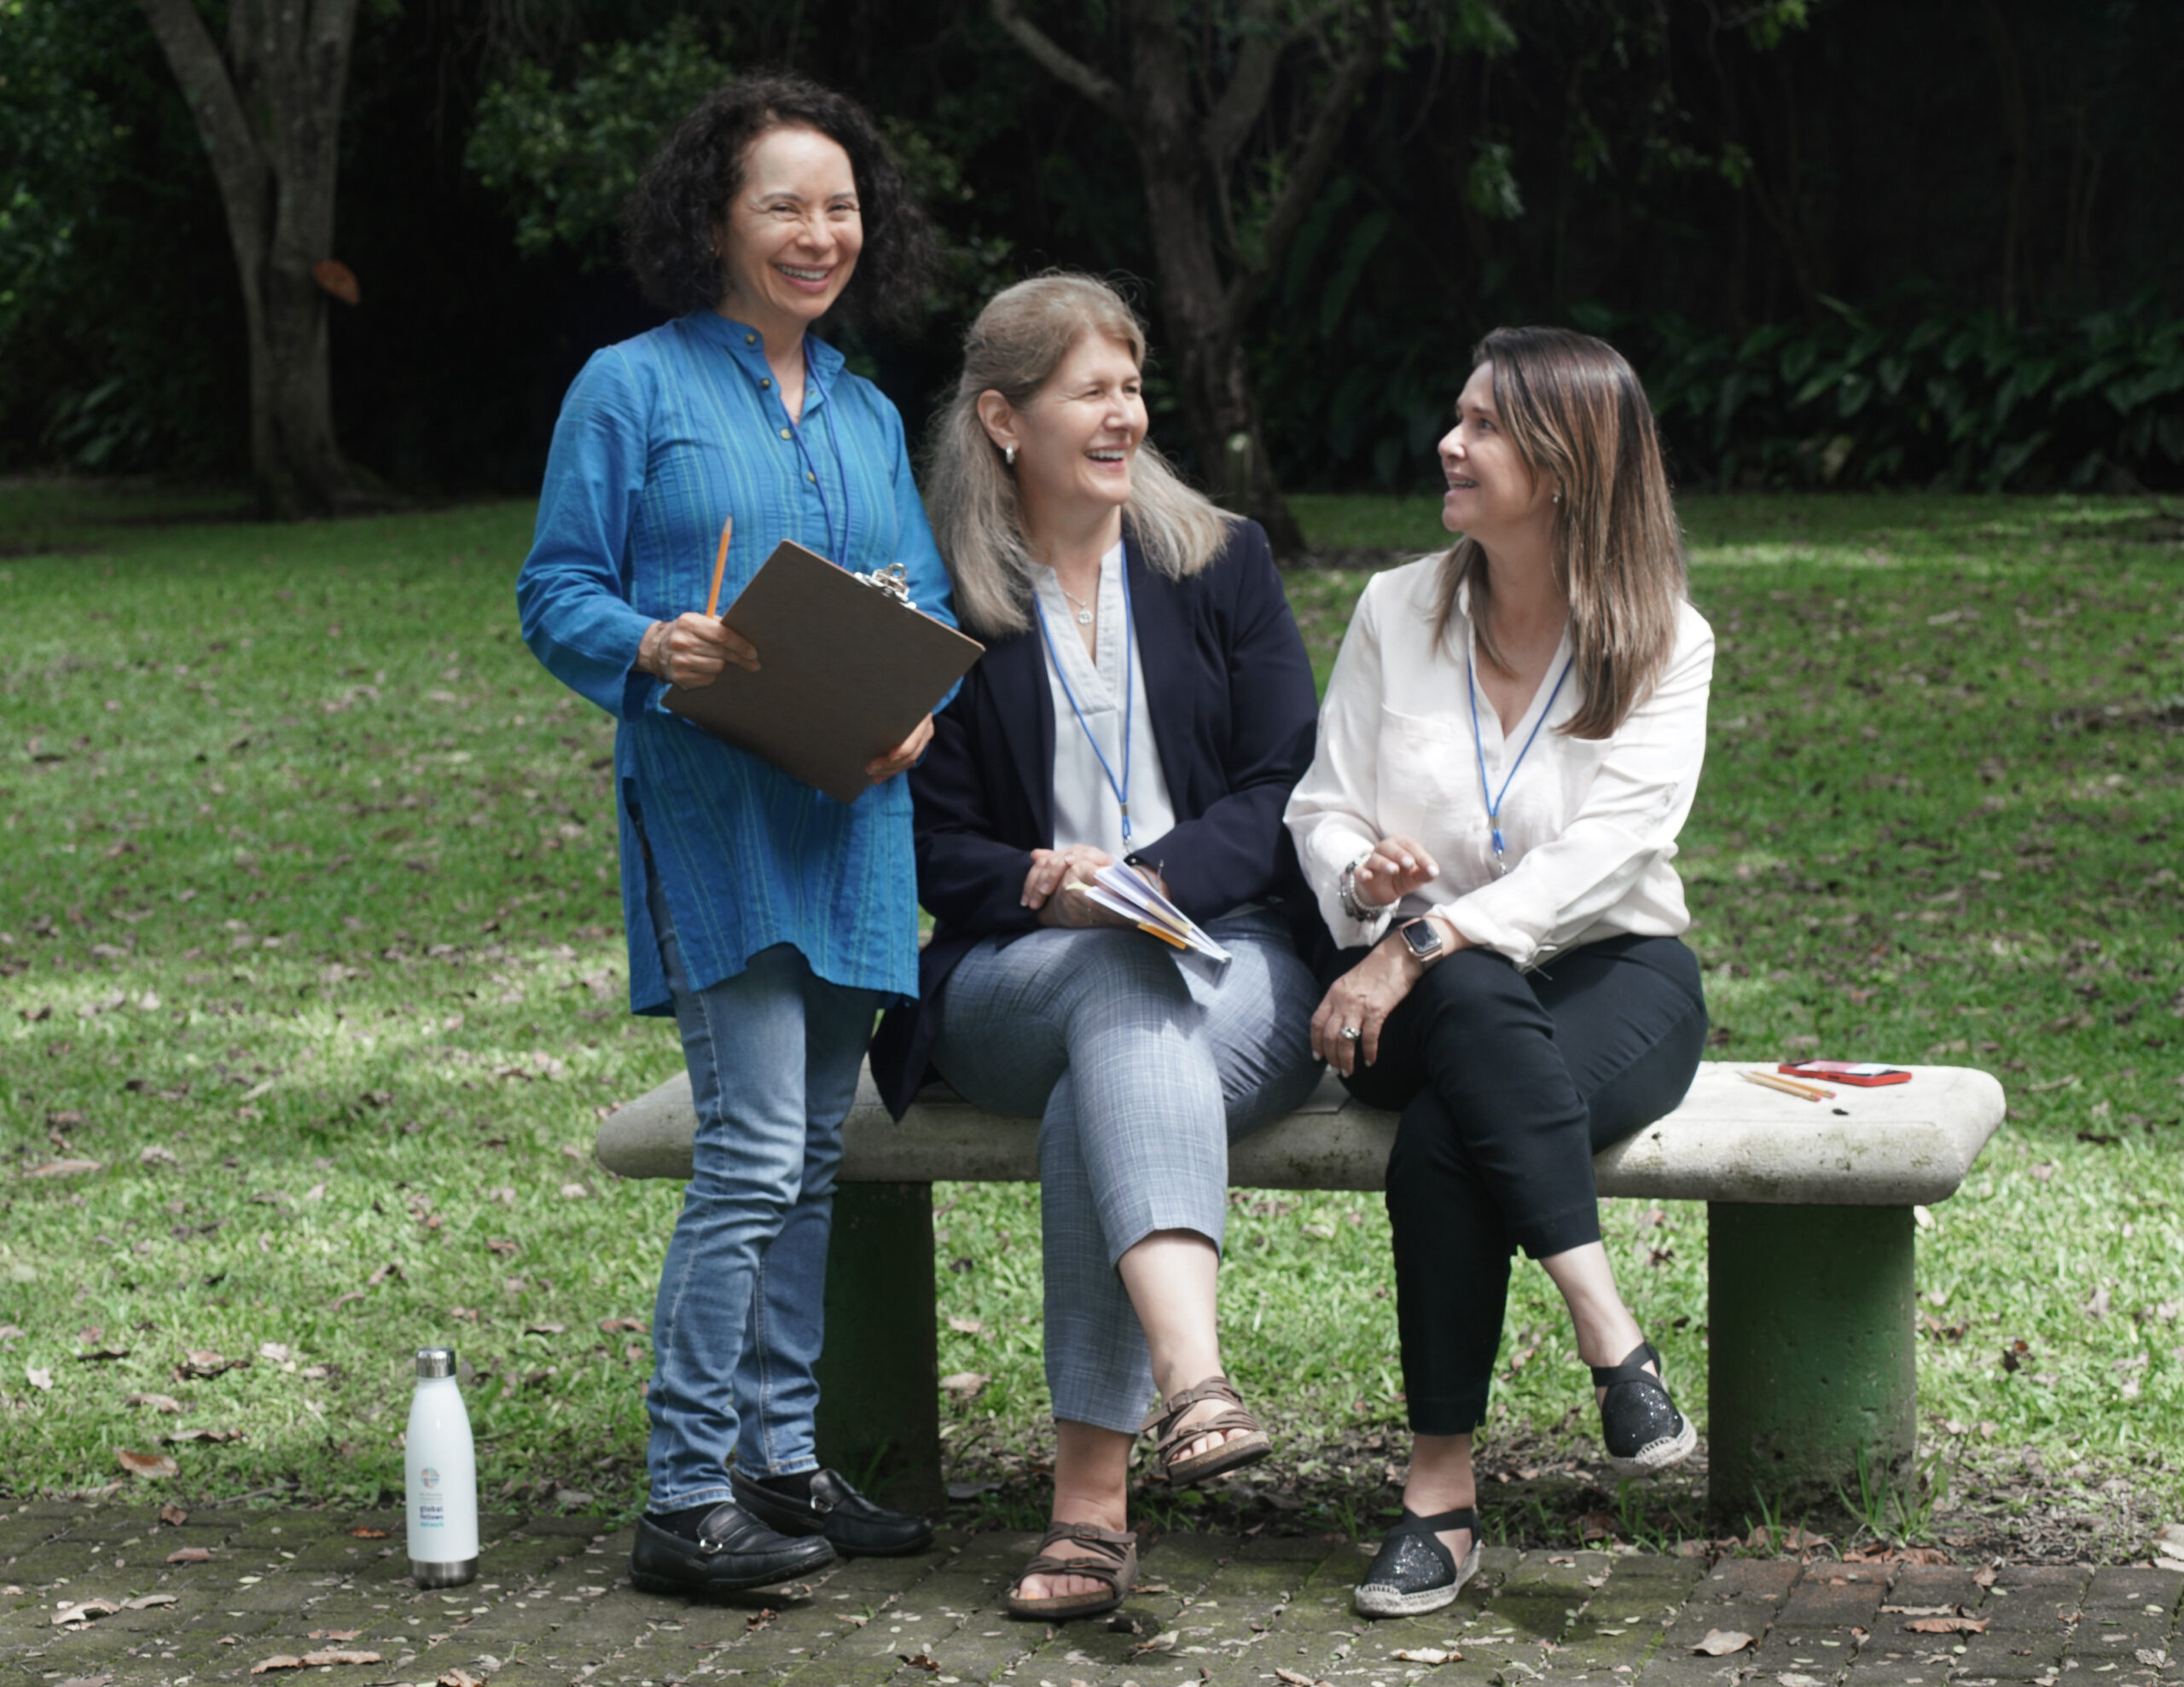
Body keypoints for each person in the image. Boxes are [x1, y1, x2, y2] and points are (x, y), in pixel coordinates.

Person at [515, 73, 953, 1601]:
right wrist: (653, 641)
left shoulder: (870, 408)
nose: (818, 233)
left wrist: (916, 710)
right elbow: (554, 592)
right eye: (784, 205)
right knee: (756, 1154)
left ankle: (778, 1459)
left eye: (841, 207)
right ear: (716, 220)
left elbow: (917, 595)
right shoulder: (628, 387)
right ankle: (685, 1493)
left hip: (854, 815)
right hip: (715, 811)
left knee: (814, 1159)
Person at [868, 274, 1326, 1621]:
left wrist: (1145, 882)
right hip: (1014, 968)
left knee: (1105, 1075)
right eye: (1092, 392)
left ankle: (1091, 1508)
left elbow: (1285, 784)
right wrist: (1036, 882)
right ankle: (1195, 1375)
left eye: (1133, 387)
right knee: (1114, 981)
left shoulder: (1221, 560)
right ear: (1003, 420)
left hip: (1236, 961)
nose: (1126, 415)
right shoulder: (939, 597)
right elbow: (921, 839)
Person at [1285, 327, 1714, 1618]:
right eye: (1457, 415)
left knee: (1447, 1133)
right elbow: (1322, 805)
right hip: (1414, 998)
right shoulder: (1394, 609)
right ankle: (1610, 1333)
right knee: (1466, 992)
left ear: (1567, 465)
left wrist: (1417, 941)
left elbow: (1607, 852)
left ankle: (1441, 1498)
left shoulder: (1664, 640)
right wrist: (1365, 879)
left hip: (1613, 974)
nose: (1449, 444)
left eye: (1482, 426)